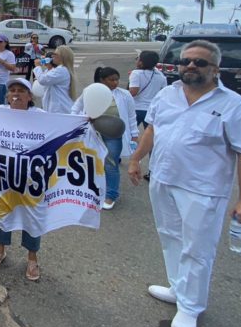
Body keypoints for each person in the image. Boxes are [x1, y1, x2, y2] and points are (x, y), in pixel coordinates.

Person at [127, 40, 241, 327]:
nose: (190, 66)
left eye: (199, 62)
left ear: (214, 69)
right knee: (170, 237)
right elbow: (152, 130)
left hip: (203, 190)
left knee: (198, 250)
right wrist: (136, 159)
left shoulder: (233, 105)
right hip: (162, 179)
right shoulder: (167, 94)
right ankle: (178, 287)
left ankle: (191, 306)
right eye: (186, 60)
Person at [0, 77, 44, 280]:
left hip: (32, 179)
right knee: (2, 211)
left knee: (33, 217)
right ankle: (0, 249)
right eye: (12, 91)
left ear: (30, 96)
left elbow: (66, 125)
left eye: (21, 90)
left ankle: (32, 258)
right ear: (7, 96)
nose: (16, 94)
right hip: (4, 175)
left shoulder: (41, 116)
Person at [73, 67, 138, 210]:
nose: (115, 82)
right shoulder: (90, 92)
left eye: (117, 79)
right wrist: (80, 121)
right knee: (92, 162)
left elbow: (132, 115)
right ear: (102, 80)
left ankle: (111, 195)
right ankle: (93, 191)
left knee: (111, 164)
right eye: (111, 79)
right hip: (92, 133)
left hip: (114, 134)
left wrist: (134, 134)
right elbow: (75, 108)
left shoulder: (124, 94)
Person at [129, 50, 167, 129]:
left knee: (129, 133)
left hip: (137, 109)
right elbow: (163, 92)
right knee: (150, 135)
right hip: (152, 109)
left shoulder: (136, 73)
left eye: (138, 59)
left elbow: (133, 92)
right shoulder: (161, 76)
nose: (136, 60)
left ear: (141, 62)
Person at [37, 46, 76, 114]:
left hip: (60, 109)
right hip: (57, 108)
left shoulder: (61, 70)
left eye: (55, 54)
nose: (52, 56)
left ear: (62, 57)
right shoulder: (59, 69)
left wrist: (37, 67)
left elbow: (42, 80)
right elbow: (48, 76)